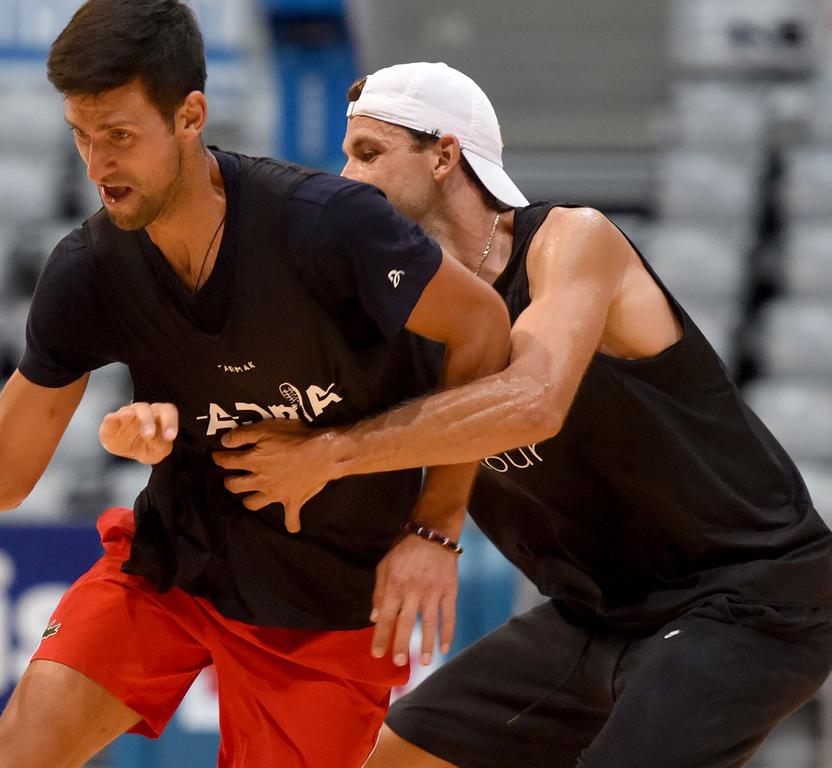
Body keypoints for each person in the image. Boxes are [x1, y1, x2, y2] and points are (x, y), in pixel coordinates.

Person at [0, 5, 512, 766]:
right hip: (170, 569)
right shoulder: (89, 270)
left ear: (190, 116)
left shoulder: (327, 226)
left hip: (326, 609)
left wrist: (435, 528)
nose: (96, 165)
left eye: (118, 135)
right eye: (81, 135)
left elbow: (485, 331)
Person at [213, 62, 832, 768]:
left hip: (748, 598)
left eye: (369, 153)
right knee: (395, 759)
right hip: (597, 613)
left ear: (444, 156)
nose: (347, 178)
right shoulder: (396, 314)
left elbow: (531, 404)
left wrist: (331, 454)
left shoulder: (572, 243)